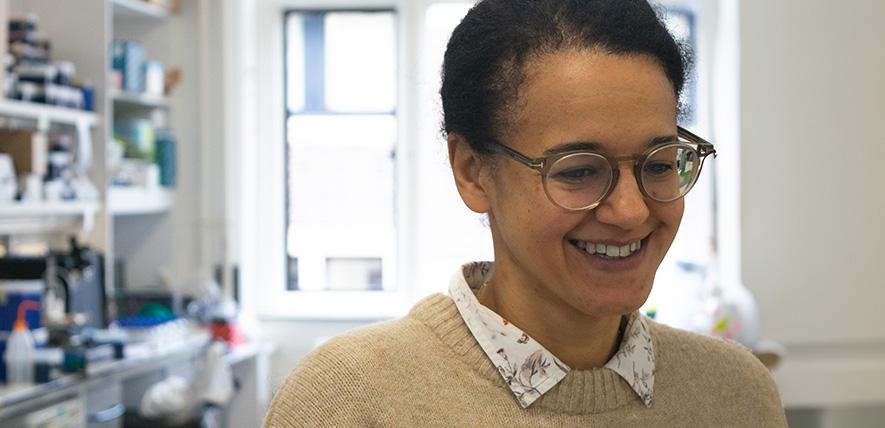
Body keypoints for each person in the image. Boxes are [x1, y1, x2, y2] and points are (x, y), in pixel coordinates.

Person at [264, 0, 787, 426]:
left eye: (660, 163)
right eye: (579, 170)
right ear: (472, 171)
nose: (630, 211)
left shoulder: (735, 395)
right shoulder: (348, 401)